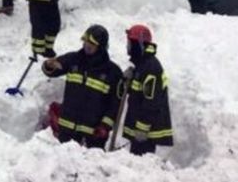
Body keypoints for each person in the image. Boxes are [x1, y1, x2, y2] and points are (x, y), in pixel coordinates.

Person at [42, 25, 124, 149]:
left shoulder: (113, 72)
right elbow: (52, 69)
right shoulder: (73, 60)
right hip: (66, 130)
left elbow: (114, 104)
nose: (87, 45)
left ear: (101, 47)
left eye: (91, 43)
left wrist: (105, 126)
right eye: (85, 41)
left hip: (92, 136)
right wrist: (49, 65)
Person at [122, 24, 174, 156]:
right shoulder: (141, 65)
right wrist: (128, 79)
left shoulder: (151, 68)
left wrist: (142, 128)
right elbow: (136, 94)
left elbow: (151, 102)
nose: (127, 47)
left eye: (130, 43)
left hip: (146, 132)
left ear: (138, 44)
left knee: (141, 163)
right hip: (141, 129)